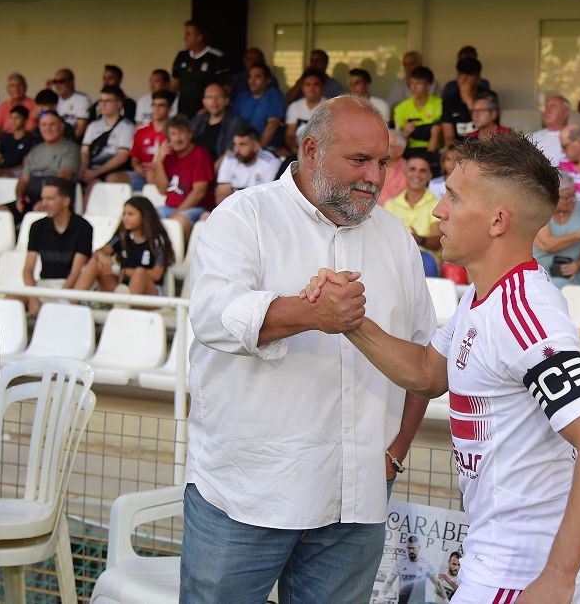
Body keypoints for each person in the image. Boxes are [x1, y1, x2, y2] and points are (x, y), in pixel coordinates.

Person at [303, 132, 580, 603]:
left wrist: (558, 576)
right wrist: (347, 318)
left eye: (454, 197)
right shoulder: (483, 299)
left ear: (498, 220)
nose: (439, 210)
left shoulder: (526, 314)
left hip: (521, 568)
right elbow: (428, 373)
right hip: (496, 556)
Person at [182, 96, 433, 603]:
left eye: (382, 162)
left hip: (357, 496)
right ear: (313, 150)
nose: (374, 176)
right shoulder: (243, 217)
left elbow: (421, 356)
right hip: (246, 494)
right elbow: (212, 316)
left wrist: (395, 456)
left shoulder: (396, 238)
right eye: (359, 160)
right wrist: (309, 313)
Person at [74, 196, 174, 296]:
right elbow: (100, 251)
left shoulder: (157, 240)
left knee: (140, 272)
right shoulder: (122, 236)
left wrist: (129, 272)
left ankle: (125, 308)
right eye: (124, 214)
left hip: (149, 292)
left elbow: (156, 275)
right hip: (122, 288)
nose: (125, 218)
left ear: (144, 216)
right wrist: (102, 256)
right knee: (96, 261)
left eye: (130, 214)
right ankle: (73, 301)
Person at [23, 178, 93, 318]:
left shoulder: (83, 227)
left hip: (70, 288)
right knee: (11, 301)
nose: (44, 204)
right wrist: (33, 297)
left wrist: (57, 299)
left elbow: (75, 273)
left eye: (50, 199)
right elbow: (28, 270)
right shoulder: (37, 226)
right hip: (44, 286)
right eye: (43, 198)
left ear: (66, 201)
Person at [0, 111, 80, 223]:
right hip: (29, 200)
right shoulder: (34, 151)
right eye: (44, 125)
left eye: (53, 124)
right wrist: (20, 198)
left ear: (61, 127)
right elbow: (23, 180)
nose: (48, 129)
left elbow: (64, 178)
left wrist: (45, 201)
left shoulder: (71, 148)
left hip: (54, 201)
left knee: (38, 213)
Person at [534, 172, 580, 288]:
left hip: (572, 272)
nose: (573, 200)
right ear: (552, 196)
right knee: (547, 288)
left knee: (557, 287)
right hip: (539, 271)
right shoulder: (540, 209)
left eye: (574, 194)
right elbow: (547, 244)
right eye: (567, 197)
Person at [153, 114, 214, 238]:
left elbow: (199, 193)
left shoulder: (199, 154)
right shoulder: (168, 155)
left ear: (190, 134)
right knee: (145, 218)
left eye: (181, 133)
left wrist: (176, 213)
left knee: (178, 222)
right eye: (173, 134)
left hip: (197, 209)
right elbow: (162, 190)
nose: (177, 138)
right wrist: (159, 161)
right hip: (169, 208)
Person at [79, 85, 136, 199]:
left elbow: (122, 156)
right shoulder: (93, 126)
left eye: (108, 101)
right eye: (101, 100)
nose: (103, 104)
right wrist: (84, 170)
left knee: (93, 186)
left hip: (112, 171)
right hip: (91, 170)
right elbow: (84, 151)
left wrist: (95, 173)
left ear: (119, 104)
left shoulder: (127, 127)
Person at [384, 154, 442, 264]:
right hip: (395, 257)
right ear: (405, 173)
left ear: (430, 175)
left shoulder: (437, 204)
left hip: (424, 260)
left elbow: (437, 242)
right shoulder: (390, 204)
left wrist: (419, 239)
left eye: (422, 171)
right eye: (412, 169)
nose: (417, 174)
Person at [171, 20, 229, 118]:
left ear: (199, 37)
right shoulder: (182, 56)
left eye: (188, 34)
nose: (184, 38)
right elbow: (174, 84)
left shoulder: (216, 57)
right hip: (183, 112)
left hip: (206, 114)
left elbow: (226, 88)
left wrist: (208, 108)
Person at [213, 125, 281, 204]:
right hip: (232, 209)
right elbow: (222, 194)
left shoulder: (270, 162)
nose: (237, 151)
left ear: (256, 146)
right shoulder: (229, 159)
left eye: (242, 144)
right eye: (235, 144)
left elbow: (266, 198)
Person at [381, 535, 448, 604]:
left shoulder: (425, 564)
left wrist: (446, 600)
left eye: (413, 548)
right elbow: (389, 582)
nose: (411, 551)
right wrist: (381, 596)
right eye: (409, 548)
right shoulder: (400, 563)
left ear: (418, 548)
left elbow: (438, 583)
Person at [393, 66, 443, 156]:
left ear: (428, 86)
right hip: (409, 150)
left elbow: (439, 132)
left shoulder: (440, 104)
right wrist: (405, 132)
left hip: (434, 150)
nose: (414, 87)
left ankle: (429, 157)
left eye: (418, 83)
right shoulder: (400, 108)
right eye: (411, 83)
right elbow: (397, 136)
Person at [234, 62, 285, 150]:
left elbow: (272, 124)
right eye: (250, 77)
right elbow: (234, 123)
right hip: (242, 146)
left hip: (266, 147)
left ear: (267, 80)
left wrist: (258, 150)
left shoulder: (273, 94)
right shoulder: (242, 97)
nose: (252, 81)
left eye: (257, 77)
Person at [129, 89, 174, 189]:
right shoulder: (141, 132)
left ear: (170, 109)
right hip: (141, 175)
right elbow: (134, 159)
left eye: (161, 105)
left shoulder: (175, 132)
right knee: (113, 178)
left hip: (166, 175)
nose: (156, 109)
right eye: (154, 105)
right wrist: (137, 167)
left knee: (151, 173)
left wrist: (157, 166)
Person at [189, 83, 244, 162]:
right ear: (204, 102)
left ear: (226, 100)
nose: (214, 101)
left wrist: (212, 171)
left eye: (218, 97)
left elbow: (230, 152)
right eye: (209, 97)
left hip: (219, 170)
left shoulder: (235, 123)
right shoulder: (198, 120)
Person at [440, 58, 484, 145]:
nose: (464, 79)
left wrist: (468, 100)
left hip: (483, 147)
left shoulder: (487, 97)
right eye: (461, 74)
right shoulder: (449, 101)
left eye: (469, 75)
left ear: (478, 78)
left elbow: (488, 129)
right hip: (458, 150)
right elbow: (448, 137)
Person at [284, 68, 326, 156]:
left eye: (316, 84)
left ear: (322, 87)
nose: (312, 88)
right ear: (302, 88)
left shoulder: (330, 107)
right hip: (297, 153)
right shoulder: (294, 106)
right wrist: (295, 151)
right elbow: (290, 135)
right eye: (308, 84)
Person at [0, 105, 33, 177]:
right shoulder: (6, 138)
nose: (13, 121)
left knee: (5, 176)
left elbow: (25, 165)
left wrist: (4, 171)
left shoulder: (30, 139)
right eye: (11, 118)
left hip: (18, 172)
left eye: (17, 118)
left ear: (25, 119)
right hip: (2, 170)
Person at [529, 95, 572, 166]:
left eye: (553, 106)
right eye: (546, 107)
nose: (547, 111)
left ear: (566, 113)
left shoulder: (577, 137)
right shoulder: (532, 137)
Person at [49, 68, 90, 141]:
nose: (58, 85)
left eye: (61, 81)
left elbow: (80, 129)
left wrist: (68, 144)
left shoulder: (82, 99)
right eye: (55, 82)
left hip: (72, 141)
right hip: (55, 140)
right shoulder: (55, 99)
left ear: (71, 82)